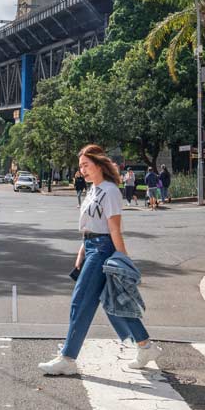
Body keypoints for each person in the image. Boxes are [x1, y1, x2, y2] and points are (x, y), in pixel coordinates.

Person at [38, 144, 161, 376]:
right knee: (113, 301)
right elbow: (91, 226)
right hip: (91, 246)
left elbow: (114, 229)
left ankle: (67, 358)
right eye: (80, 166)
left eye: (86, 165)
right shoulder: (92, 190)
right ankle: (145, 346)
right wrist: (82, 250)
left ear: (99, 164)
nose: (82, 170)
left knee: (81, 301)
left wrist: (123, 260)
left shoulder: (110, 191)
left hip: (104, 250)